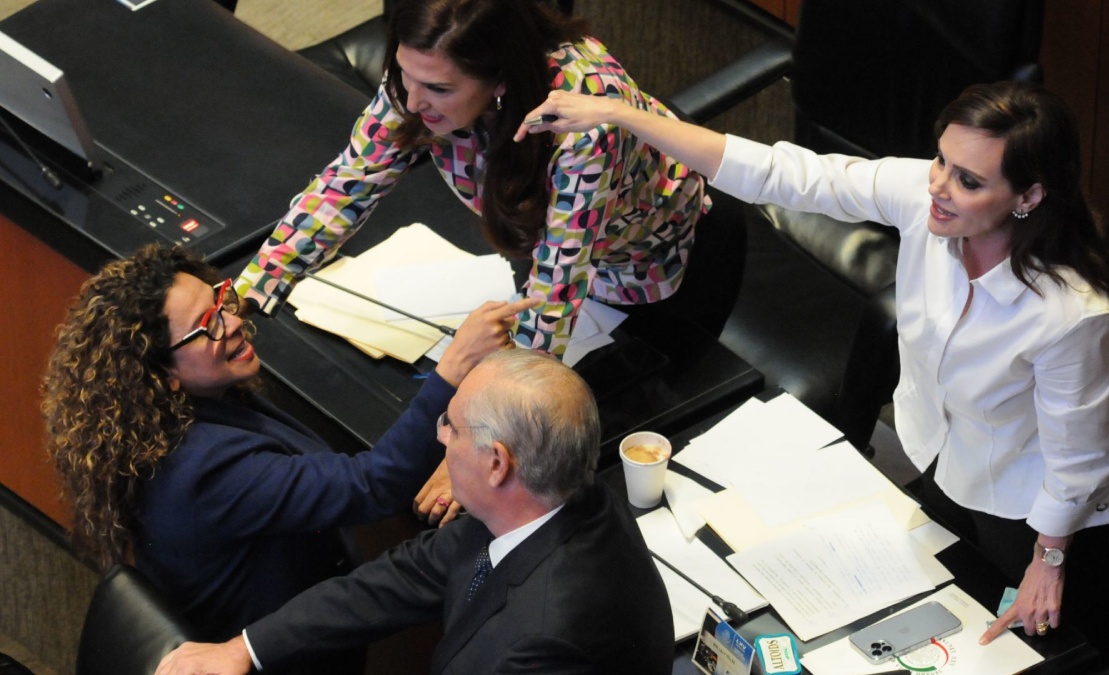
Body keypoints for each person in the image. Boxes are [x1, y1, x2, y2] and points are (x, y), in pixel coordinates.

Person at [517, 81, 1109, 657]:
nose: (939, 186)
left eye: (968, 181)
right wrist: (624, 116)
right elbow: (788, 174)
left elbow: (1081, 460)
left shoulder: (1070, 315)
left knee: (1021, 649)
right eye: (940, 160)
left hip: (1031, 511)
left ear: (1030, 197)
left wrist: (1049, 561)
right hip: (938, 458)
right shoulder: (928, 198)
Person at [43, 244, 533, 674]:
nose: (233, 321)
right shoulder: (204, 471)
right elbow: (372, 486)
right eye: (207, 325)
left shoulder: (191, 409)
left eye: (221, 300)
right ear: (163, 374)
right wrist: (452, 370)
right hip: (283, 653)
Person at [234, 0, 743, 361]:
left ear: (499, 81)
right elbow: (348, 181)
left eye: (436, 88)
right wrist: (249, 292)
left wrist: (483, 424)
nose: (411, 102)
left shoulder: (583, 124)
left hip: (659, 261)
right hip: (557, 247)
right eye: (404, 76)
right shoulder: (423, 73)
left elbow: (556, 289)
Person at [154, 349, 675, 675]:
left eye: (450, 425)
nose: (439, 436)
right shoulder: (557, 502)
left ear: (497, 464)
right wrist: (246, 647)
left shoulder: (540, 644)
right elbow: (404, 575)